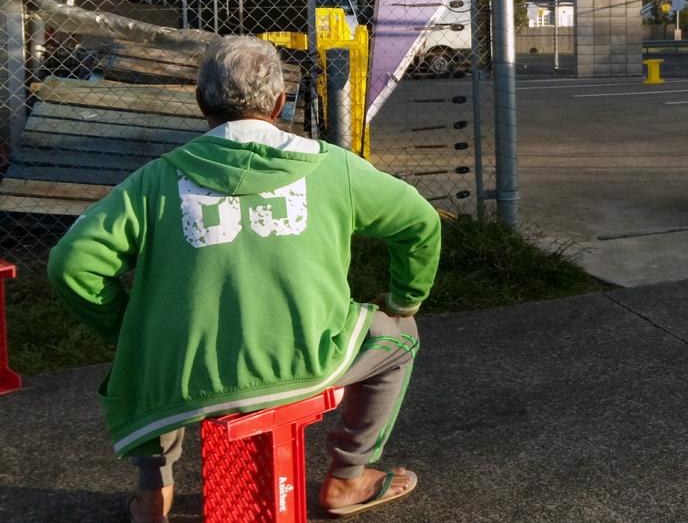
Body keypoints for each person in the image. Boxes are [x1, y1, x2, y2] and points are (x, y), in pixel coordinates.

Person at [48, 35, 442, 521]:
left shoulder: (154, 180)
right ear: (279, 102)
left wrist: (125, 329)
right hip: (307, 362)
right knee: (400, 338)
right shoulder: (332, 167)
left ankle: (154, 493)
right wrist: (405, 297)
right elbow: (419, 222)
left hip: (189, 376)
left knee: (148, 349)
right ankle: (348, 477)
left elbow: (71, 262)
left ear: (200, 103)